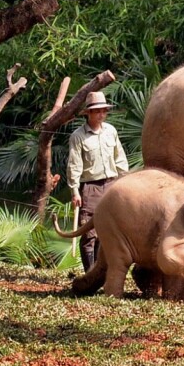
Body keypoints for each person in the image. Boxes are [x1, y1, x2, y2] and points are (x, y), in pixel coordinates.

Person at [67, 91, 129, 271]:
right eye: (97, 111)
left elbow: (120, 158)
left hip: (111, 184)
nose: (101, 114)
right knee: (89, 233)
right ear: (88, 113)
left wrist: (124, 182)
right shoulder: (78, 136)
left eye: (104, 111)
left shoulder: (111, 131)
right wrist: (75, 191)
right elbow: (74, 165)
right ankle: (89, 273)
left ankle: (101, 273)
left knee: (108, 231)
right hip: (90, 188)